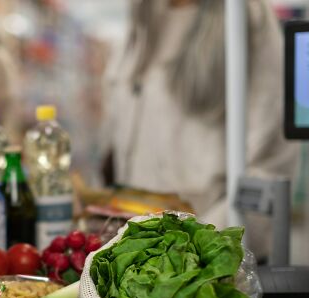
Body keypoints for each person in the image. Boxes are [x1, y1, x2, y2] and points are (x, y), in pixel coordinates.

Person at [102, 0, 297, 257]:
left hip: (206, 263)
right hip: (138, 254)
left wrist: (197, 251)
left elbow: (269, 163)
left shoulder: (245, 15)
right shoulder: (144, 17)